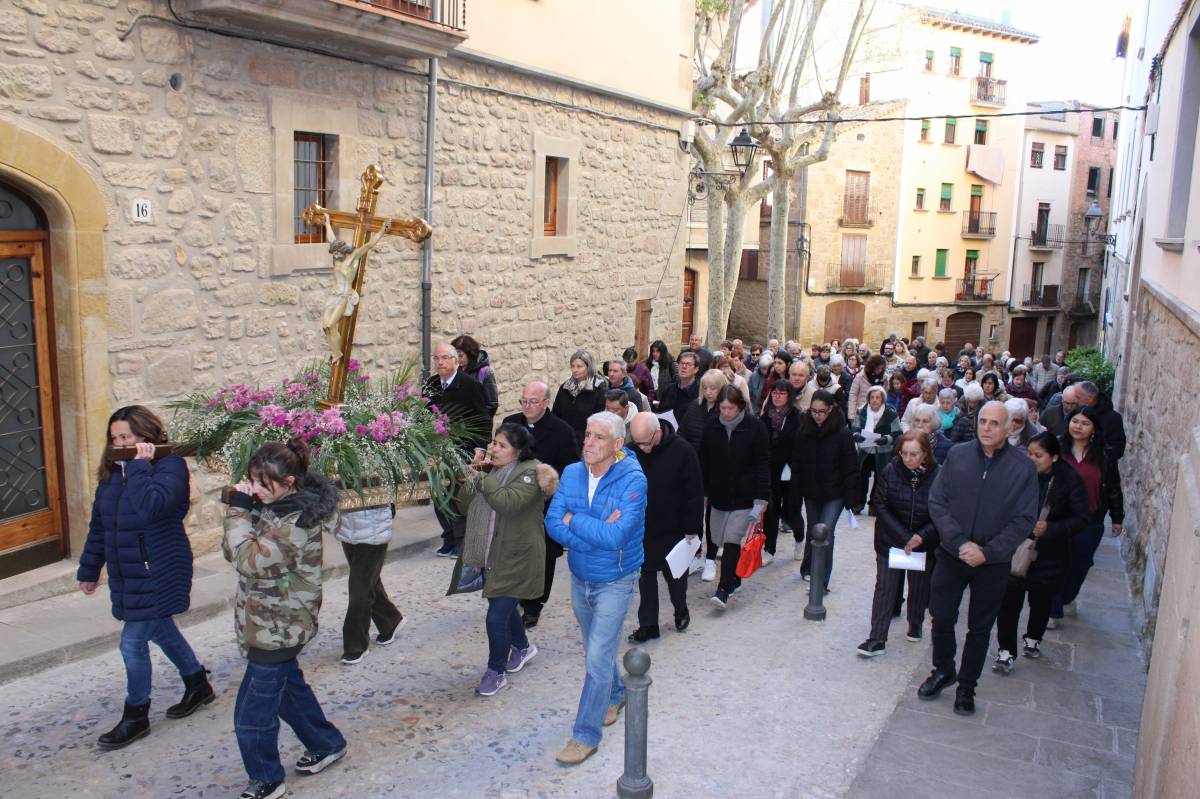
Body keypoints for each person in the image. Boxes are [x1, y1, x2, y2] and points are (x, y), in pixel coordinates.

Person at [77, 406, 211, 750]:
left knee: (132, 643)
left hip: (159, 567)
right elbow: (100, 526)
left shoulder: (170, 467)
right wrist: (89, 570)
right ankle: (198, 683)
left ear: (146, 437)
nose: (119, 444)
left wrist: (138, 466)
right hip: (127, 571)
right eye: (114, 438)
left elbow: (152, 506)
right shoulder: (111, 474)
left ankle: (136, 715)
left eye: (126, 437)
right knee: (161, 628)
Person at [223, 440, 346, 799]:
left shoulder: (296, 522)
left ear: (289, 482)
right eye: (252, 481)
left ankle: (267, 779)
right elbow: (232, 550)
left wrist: (238, 512)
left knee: (251, 715)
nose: (256, 489)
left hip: (278, 626)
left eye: (263, 483)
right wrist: (246, 511)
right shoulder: (273, 507)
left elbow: (249, 560)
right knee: (288, 693)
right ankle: (326, 743)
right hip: (267, 621)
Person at [918, 401, 1038, 716]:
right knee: (942, 616)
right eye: (982, 421)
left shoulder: (1023, 468)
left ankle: (967, 687)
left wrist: (987, 552)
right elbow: (937, 502)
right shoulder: (957, 455)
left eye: (994, 423)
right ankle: (943, 670)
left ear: (1009, 428)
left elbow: (1024, 519)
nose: (986, 428)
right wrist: (959, 542)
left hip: (992, 563)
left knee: (980, 628)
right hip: (952, 554)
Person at [545, 412, 647, 766]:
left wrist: (575, 521)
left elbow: (617, 536)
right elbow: (553, 522)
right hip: (580, 576)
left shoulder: (633, 480)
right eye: (587, 434)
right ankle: (616, 694)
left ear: (617, 445)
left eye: (598, 437)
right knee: (594, 648)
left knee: (597, 658)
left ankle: (585, 735)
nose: (587, 442)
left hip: (615, 580)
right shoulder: (572, 473)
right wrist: (593, 531)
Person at [450, 424, 547, 697]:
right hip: (493, 553)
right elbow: (463, 506)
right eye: (494, 443)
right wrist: (472, 477)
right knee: (501, 606)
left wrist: (482, 479)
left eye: (502, 445)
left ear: (518, 451)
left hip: (518, 556)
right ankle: (523, 647)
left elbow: (508, 502)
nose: (493, 449)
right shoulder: (491, 471)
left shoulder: (531, 472)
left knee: (495, 617)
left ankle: (495, 671)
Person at [992, 432, 1089, 673]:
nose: (1032, 459)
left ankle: (1034, 637)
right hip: (1016, 549)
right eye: (1029, 454)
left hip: (1049, 554)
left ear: (1054, 457)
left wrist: (1051, 528)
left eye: (1039, 455)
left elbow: (1082, 518)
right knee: (1008, 603)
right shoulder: (1018, 474)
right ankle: (1006, 651)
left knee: (1041, 601)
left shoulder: (1069, 480)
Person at [857, 431, 940, 656]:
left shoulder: (939, 475)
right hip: (891, 540)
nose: (908, 459)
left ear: (925, 453)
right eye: (904, 453)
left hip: (923, 542)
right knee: (885, 587)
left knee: (919, 586)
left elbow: (942, 511)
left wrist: (920, 536)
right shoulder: (890, 471)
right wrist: (905, 537)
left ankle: (915, 622)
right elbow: (880, 505)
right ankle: (877, 637)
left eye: (914, 454)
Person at [503, 382, 578, 628]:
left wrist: (546, 478)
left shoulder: (562, 431)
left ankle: (535, 604)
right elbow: (499, 452)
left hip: (545, 507)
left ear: (546, 403)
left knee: (542, 557)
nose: (527, 406)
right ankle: (514, 594)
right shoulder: (511, 424)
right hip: (514, 503)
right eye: (523, 400)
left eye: (533, 401)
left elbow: (570, 469)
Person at [628, 412, 702, 641]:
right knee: (646, 577)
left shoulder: (683, 451)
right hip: (643, 527)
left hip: (674, 528)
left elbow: (694, 493)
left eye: (645, 443)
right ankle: (649, 625)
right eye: (637, 443)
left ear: (657, 432)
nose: (641, 448)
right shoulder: (632, 451)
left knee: (676, 577)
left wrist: (692, 529)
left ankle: (680, 609)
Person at [1050, 407, 1124, 624]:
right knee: (1055, 564)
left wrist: (1117, 517)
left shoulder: (1104, 455)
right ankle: (1052, 611)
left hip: (1090, 520)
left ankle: (1067, 598)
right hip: (1058, 517)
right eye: (1075, 421)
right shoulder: (1057, 448)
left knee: (1080, 564)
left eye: (1085, 423)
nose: (1078, 427)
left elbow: (1113, 487)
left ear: (1094, 428)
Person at [698, 386, 769, 607]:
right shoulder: (712, 426)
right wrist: (704, 492)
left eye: (730, 408)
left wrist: (761, 498)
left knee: (731, 540)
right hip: (718, 495)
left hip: (745, 496)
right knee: (717, 537)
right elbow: (704, 461)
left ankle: (723, 589)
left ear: (740, 407)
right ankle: (735, 578)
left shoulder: (755, 427)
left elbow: (762, 464)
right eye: (722, 408)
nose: (726, 412)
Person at [424, 341, 491, 558]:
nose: (440, 362)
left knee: (459, 496)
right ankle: (449, 538)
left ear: (456, 361)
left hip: (463, 449)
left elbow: (483, 418)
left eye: (444, 358)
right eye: (436, 358)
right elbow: (424, 414)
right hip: (438, 451)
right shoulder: (431, 384)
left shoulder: (470, 385)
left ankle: (462, 541)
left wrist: (480, 448)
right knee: (439, 493)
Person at [789, 390, 859, 582]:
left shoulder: (842, 433)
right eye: (814, 411)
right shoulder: (804, 430)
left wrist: (851, 498)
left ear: (830, 410)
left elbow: (851, 467)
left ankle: (822, 579)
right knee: (814, 529)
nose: (817, 415)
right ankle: (809, 568)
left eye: (822, 411)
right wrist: (795, 493)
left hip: (835, 493)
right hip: (811, 491)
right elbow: (797, 463)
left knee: (826, 531)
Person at [335, 505, 404, 665]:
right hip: (347, 528)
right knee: (366, 581)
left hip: (374, 530)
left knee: (359, 589)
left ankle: (356, 644)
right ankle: (391, 621)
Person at [761, 381, 801, 562]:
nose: (777, 396)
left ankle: (799, 539)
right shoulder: (765, 416)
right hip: (771, 470)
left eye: (781, 393)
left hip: (791, 470)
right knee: (771, 511)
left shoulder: (797, 417)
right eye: (774, 392)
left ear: (789, 396)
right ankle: (769, 549)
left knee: (792, 511)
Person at [853, 385, 901, 514]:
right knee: (861, 476)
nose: (874, 400)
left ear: (882, 399)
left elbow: (897, 432)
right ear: (868, 399)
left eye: (877, 398)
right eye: (872, 397)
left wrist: (886, 439)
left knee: (880, 478)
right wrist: (856, 435)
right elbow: (855, 428)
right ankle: (858, 502)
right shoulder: (861, 410)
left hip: (882, 451)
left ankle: (874, 504)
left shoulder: (890, 412)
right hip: (865, 449)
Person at [552, 350, 610, 450]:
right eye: (573, 366)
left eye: (579, 366)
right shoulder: (565, 387)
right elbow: (556, 414)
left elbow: (600, 420)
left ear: (589, 367)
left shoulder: (599, 389)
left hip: (587, 443)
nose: (575, 370)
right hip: (564, 441)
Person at [451, 334, 499, 421]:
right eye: (455, 356)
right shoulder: (456, 370)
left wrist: (478, 422)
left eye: (460, 356)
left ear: (470, 354)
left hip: (477, 424)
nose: (457, 359)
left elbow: (492, 404)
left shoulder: (485, 372)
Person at [656, 350, 700, 426]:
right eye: (682, 363)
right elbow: (661, 412)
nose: (684, 366)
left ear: (696, 369)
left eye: (688, 364)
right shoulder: (668, 390)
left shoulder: (700, 393)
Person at [645, 340, 678, 411]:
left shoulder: (671, 364)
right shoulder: (649, 364)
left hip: (667, 403)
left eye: (657, 351)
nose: (654, 354)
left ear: (663, 352)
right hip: (653, 401)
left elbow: (677, 384)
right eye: (653, 351)